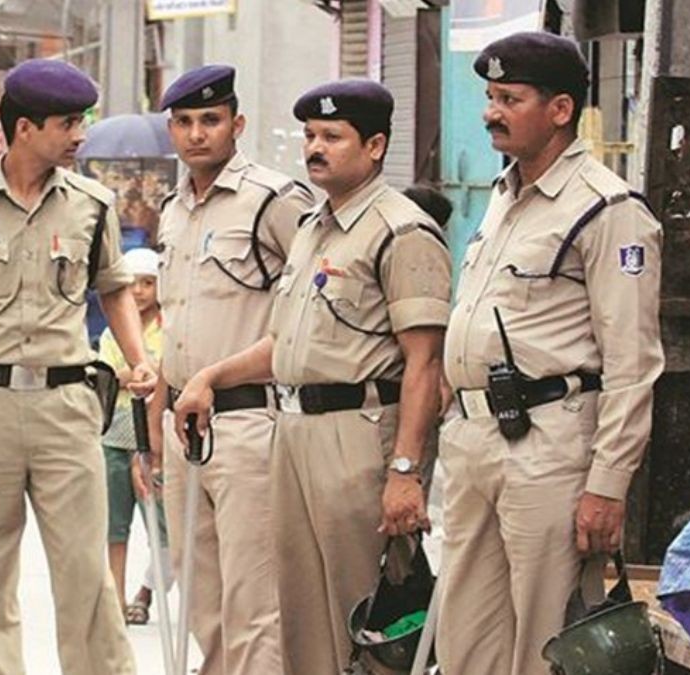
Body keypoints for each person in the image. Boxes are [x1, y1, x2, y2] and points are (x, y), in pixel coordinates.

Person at [174, 78, 453, 674]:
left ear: (375, 146)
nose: (315, 148)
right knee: (299, 617)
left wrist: (406, 470)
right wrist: (211, 377)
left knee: (365, 619)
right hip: (292, 433)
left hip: (358, 436)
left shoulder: (401, 231)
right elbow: (283, 344)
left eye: (332, 136)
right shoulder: (310, 229)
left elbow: (426, 363)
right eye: (309, 136)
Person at [0, 58, 155, 675]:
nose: (79, 136)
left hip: (66, 405)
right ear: (24, 128)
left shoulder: (93, 205)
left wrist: (140, 359)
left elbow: (114, 288)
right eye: (68, 123)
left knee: (86, 574)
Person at [435, 32, 665, 675]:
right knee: (464, 638)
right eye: (490, 97)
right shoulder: (504, 196)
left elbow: (632, 362)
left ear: (560, 109)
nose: (491, 113)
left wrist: (608, 484)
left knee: (546, 640)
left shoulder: (607, 209)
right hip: (476, 438)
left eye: (510, 99)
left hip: (549, 445)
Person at [152, 64, 313, 674]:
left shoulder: (275, 200)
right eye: (185, 122)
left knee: (253, 601)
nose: (197, 134)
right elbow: (175, 324)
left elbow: (304, 322)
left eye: (211, 120)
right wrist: (156, 419)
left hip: (247, 423)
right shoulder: (173, 209)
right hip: (181, 428)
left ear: (236, 125)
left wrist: (213, 379)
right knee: (201, 600)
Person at [98, 247, 172, 626]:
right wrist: (145, 373)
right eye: (132, 284)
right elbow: (108, 378)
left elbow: (167, 374)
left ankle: (146, 591)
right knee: (115, 525)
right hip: (114, 434)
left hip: (153, 437)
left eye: (148, 283)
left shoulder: (170, 328)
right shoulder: (111, 332)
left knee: (164, 529)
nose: (139, 291)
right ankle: (116, 599)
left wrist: (137, 375)